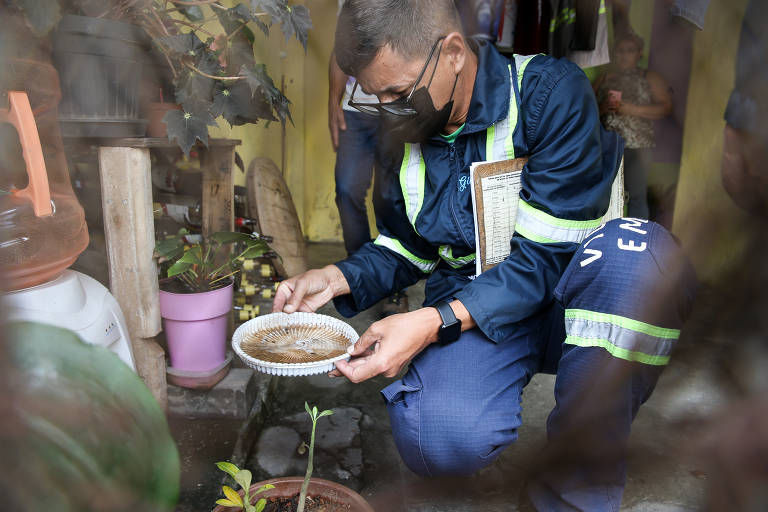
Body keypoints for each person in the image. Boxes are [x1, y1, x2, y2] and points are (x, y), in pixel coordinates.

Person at [275, 1, 695, 509]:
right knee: (438, 442)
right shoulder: (402, 126)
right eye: (376, 95)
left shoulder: (549, 94)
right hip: (476, 303)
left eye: (399, 93)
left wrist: (431, 322)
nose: (389, 110)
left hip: (574, 301)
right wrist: (338, 277)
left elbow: (545, 260)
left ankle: (569, 491)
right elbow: (410, 245)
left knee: (640, 258)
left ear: (453, 52)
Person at [328, 1, 409, 316]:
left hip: (396, 108)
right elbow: (340, 51)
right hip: (355, 113)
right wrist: (333, 103)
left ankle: (394, 284)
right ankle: (361, 273)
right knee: (347, 189)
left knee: (390, 197)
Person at [593, 31, 673, 219]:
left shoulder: (649, 77)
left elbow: (666, 108)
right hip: (607, 145)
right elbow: (585, 110)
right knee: (604, 194)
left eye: (630, 50)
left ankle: (635, 238)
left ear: (639, 54)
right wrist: (603, 108)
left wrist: (630, 109)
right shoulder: (604, 78)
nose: (624, 55)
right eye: (620, 50)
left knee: (636, 195)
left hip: (638, 147)